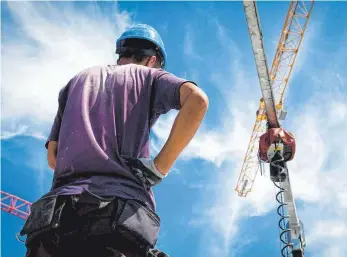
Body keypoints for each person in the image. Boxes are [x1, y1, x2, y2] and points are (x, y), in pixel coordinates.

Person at [19, 24, 209, 257]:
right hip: (117, 214)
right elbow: (197, 101)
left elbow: (53, 158)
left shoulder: (77, 81)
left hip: (54, 219)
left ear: (122, 54)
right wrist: (159, 168)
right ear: (152, 60)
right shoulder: (150, 76)